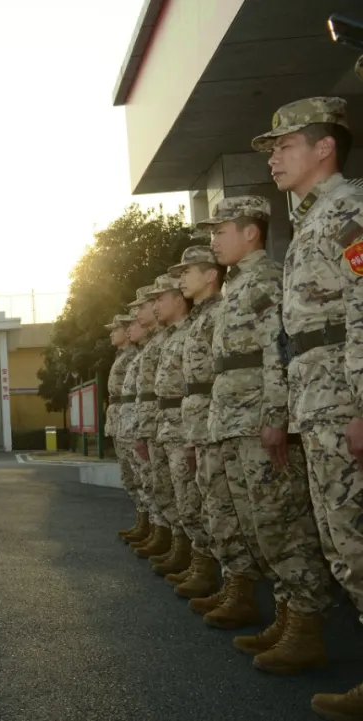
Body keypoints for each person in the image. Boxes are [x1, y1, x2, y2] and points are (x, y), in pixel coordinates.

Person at [251, 96, 363, 716]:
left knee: (356, 543)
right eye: (270, 150)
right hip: (319, 406)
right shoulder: (312, 220)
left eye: (285, 146)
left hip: (344, 403)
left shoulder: (348, 211)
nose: (273, 159)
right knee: (343, 546)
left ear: (325, 147)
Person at [200, 196, 334, 673]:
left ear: (250, 232)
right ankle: (286, 615)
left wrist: (276, 416)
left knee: (283, 524)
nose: (214, 241)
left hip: (259, 422)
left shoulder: (265, 282)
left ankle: (306, 628)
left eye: (221, 231)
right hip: (235, 421)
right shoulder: (238, 284)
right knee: (260, 525)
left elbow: (277, 352)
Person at [168, 244, 251, 605]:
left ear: (211, 274)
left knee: (226, 506)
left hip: (222, 417)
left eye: (187, 272)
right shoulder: (201, 317)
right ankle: (223, 580)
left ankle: (238, 588)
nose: (182, 279)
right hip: (203, 420)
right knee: (210, 503)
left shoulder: (219, 311)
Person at [147, 273, 203, 579]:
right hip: (168, 424)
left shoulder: (191, 330)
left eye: (160, 299)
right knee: (174, 493)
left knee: (192, 497)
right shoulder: (170, 337)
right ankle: (186, 554)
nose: (155, 306)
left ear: (178, 300)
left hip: (186, 424)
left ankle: (202, 565)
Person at [131, 282, 178, 560]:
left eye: (146, 305)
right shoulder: (157, 342)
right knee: (157, 486)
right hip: (156, 422)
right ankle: (164, 536)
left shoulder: (169, 338)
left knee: (180, 491)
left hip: (173, 422)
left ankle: (180, 547)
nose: (135, 319)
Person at [120, 309, 161, 549]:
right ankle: (150, 527)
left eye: (133, 323)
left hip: (153, 422)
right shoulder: (139, 354)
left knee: (156, 483)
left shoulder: (151, 349)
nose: (128, 329)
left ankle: (161, 533)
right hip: (134, 421)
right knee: (141, 479)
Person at [105, 312, 144, 540]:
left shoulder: (132, 356)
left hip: (128, 418)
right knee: (129, 474)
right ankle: (143, 521)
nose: (113, 333)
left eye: (116, 329)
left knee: (138, 474)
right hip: (119, 418)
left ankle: (149, 524)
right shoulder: (122, 356)